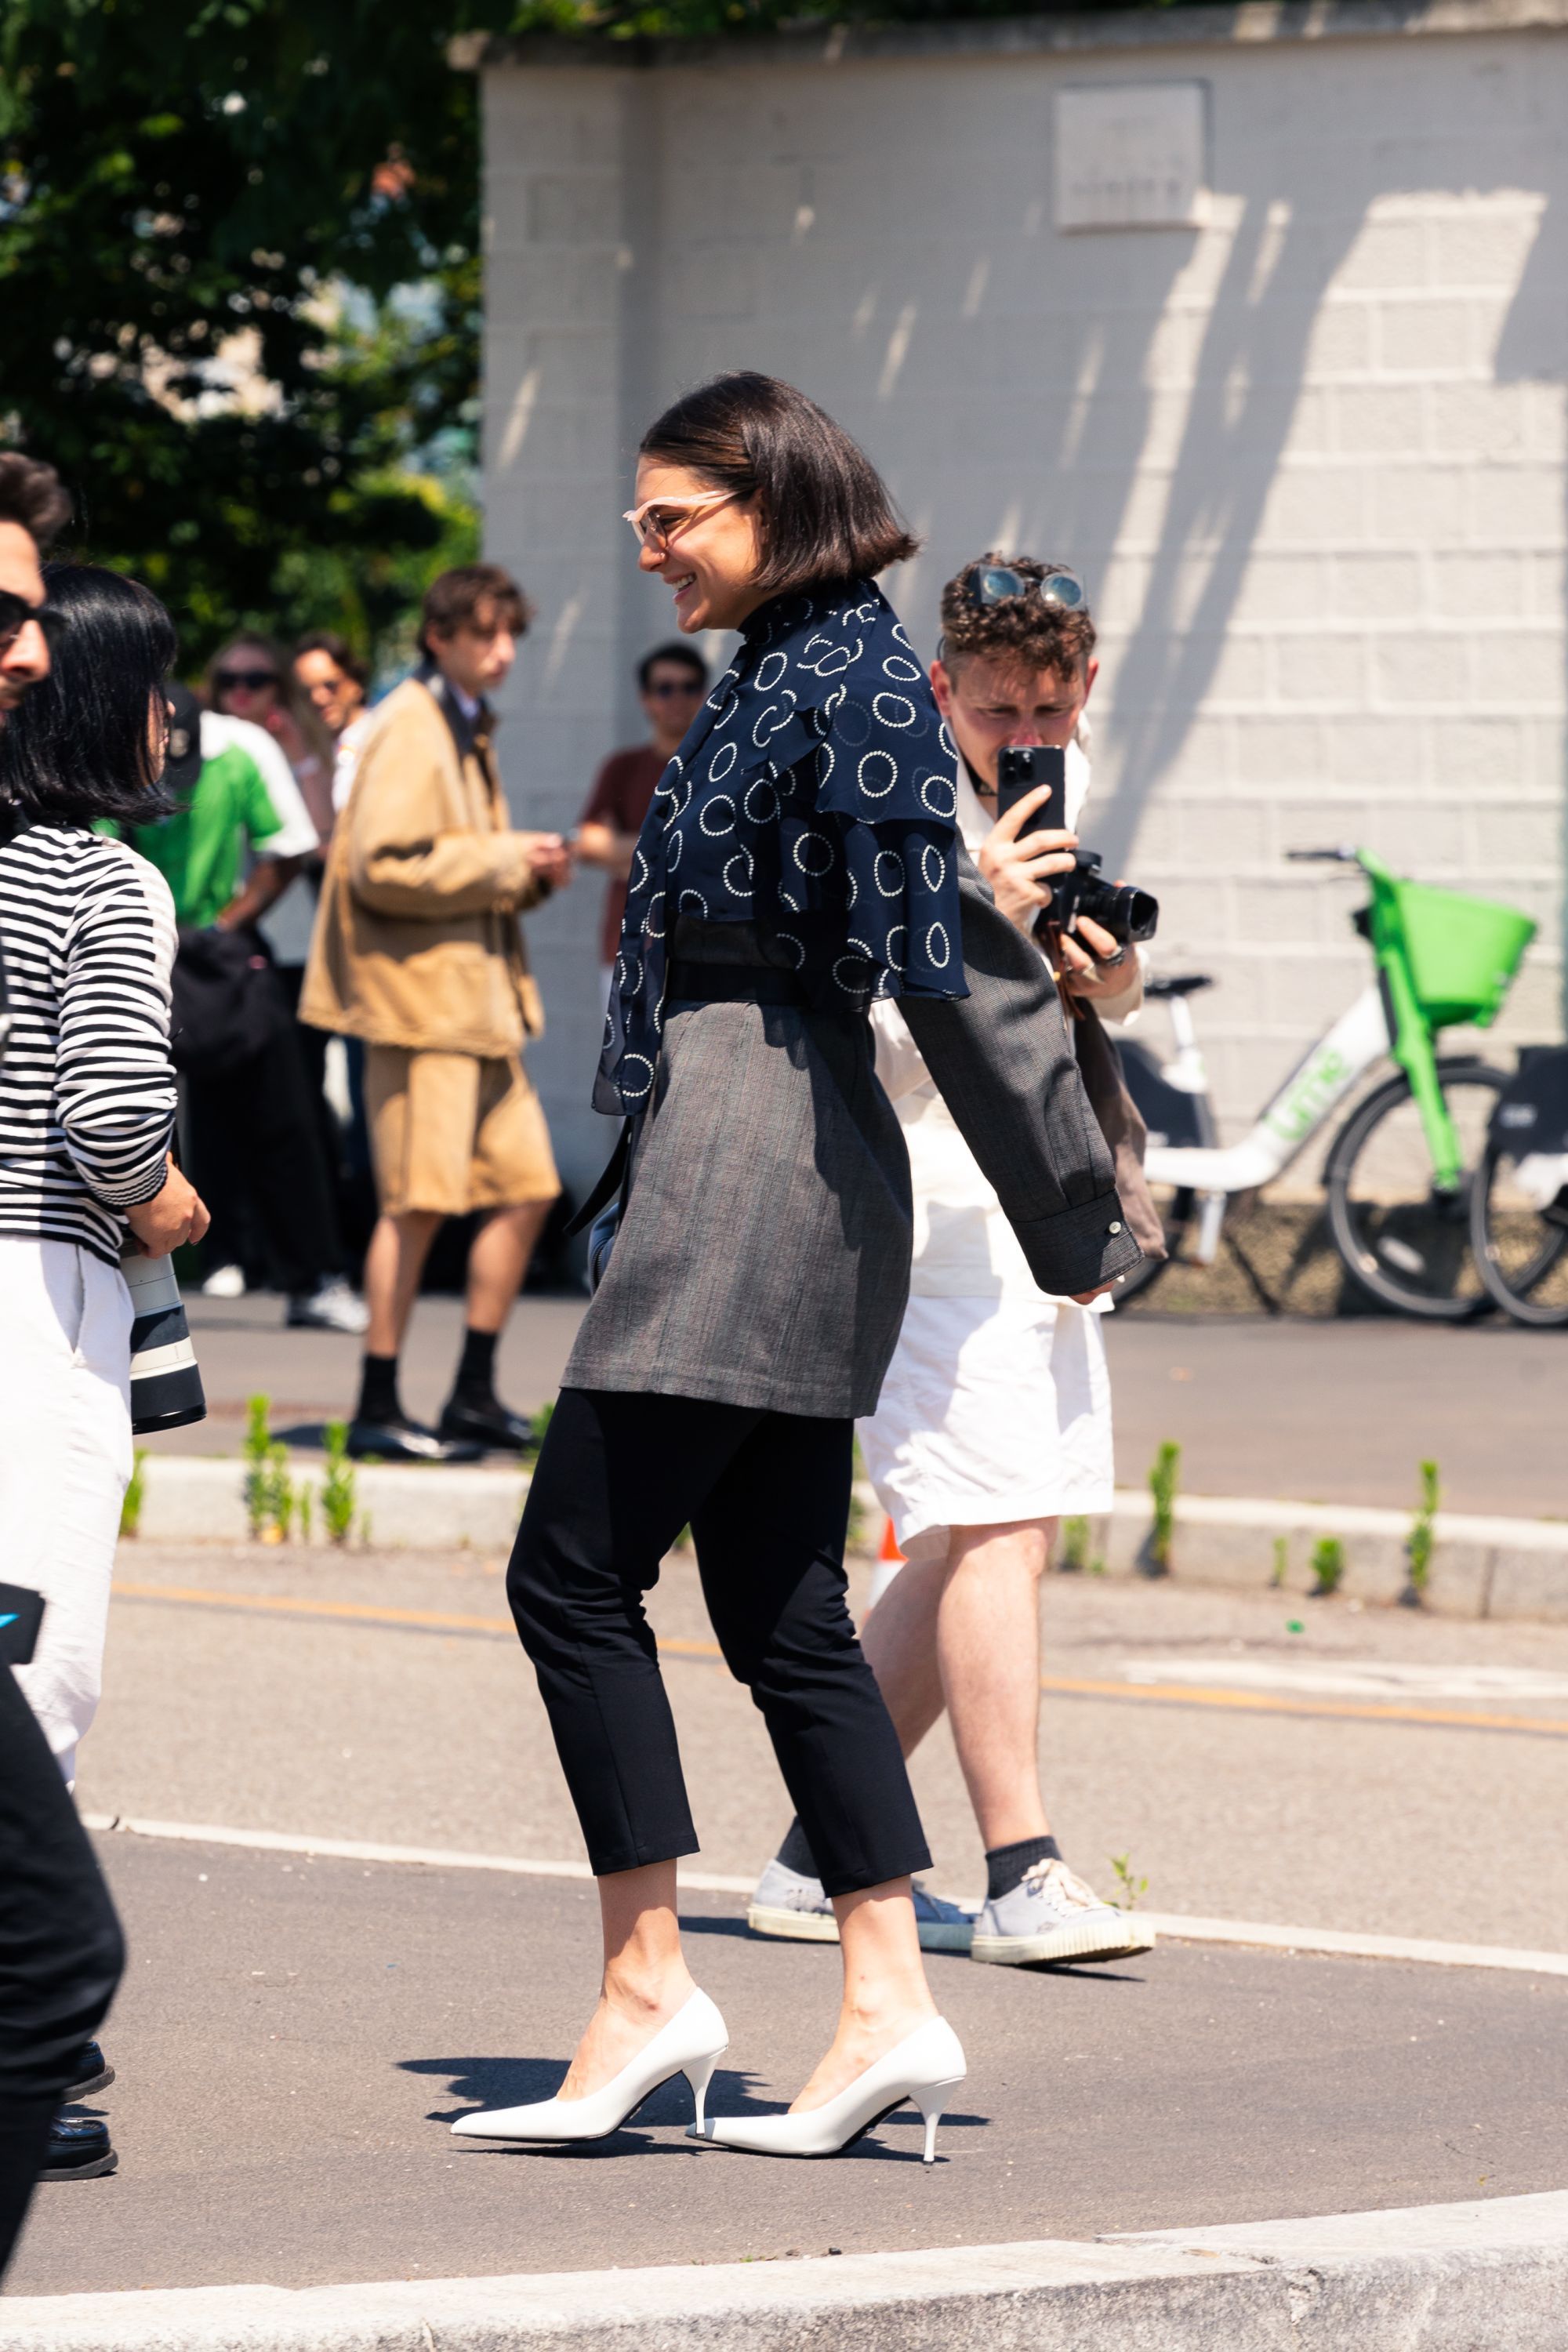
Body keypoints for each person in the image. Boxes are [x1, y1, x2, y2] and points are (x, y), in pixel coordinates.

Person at [457, 374, 1138, 2167]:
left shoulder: (837, 679)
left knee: (570, 1571)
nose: (645, 544)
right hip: (766, 1144)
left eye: (671, 513)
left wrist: (1074, 1202)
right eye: (639, 518)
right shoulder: (791, 666)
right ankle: (881, 2002)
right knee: (779, 1605)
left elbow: (944, 963)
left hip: (755, 1155)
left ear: (773, 498)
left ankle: (647, 1980)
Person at [750, 554, 1158, 1970]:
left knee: (996, 1522)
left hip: (1026, 1198)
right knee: (989, 1528)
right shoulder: (895, 793)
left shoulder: (1056, 778)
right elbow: (848, 1024)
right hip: (913, 1202)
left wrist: (1109, 979)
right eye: (997, 712)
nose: (1027, 733)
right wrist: (963, 905)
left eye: (1051, 705)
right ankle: (1025, 1869)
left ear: (1085, 687)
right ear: (942, 691)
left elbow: (1067, 989)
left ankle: (821, 1853)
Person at [0, 525, 207, 2205]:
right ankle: (41, 2050)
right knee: (34, 1661)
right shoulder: (97, 878)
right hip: (35, 1305)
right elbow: (109, 1112)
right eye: (160, 695)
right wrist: (171, 1199)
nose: (175, 726)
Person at [303, 563, 571, 1462]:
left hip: (476, 1007)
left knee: (528, 1192)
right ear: (439, 636)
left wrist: (521, 872)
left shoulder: (456, 719)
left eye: (508, 636)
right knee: (416, 1206)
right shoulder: (413, 724)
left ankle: (470, 1394)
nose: (500, 653)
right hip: (420, 1010)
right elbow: (380, 862)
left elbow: (446, 865)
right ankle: (378, 1401)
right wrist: (506, 860)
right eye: (483, 635)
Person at [122, 684, 366, 1334]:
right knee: (127, 1102)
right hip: (129, 946)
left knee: (279, 1117)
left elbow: (287, 847)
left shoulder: (242, 747)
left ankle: (315, 1275)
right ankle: (132, 1276)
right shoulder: (103, 746)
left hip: (216, 952)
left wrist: (227, 925)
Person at [576, 642, 707, 1002]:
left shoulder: (721, 768)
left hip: (703, 954)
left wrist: (628, 856)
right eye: (665, 688)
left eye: (689, 687)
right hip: (629, 948)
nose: (677, 698)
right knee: (624, 1059)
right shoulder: (623, 767)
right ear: (646, 699)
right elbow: (586, 842)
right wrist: (673, 853)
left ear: (705, 694)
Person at [293, 630, 368, 744]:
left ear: (354, 683)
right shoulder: (309, 755)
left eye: (330, 685)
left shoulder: (386, 736)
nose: (318, 699)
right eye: (306, 692)